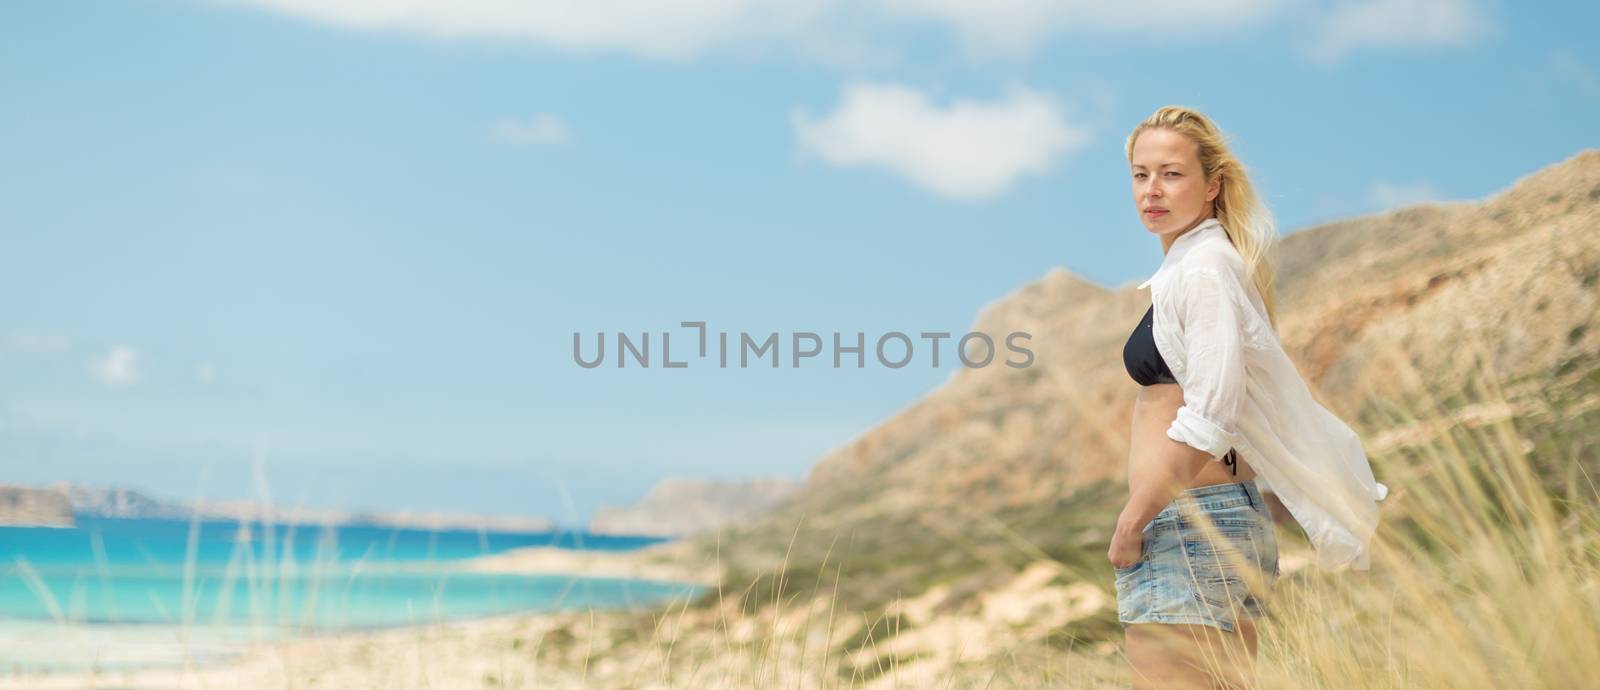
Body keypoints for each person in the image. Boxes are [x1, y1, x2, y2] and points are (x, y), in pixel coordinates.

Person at [1108, 106, 1389, 690]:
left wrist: (1134, 518)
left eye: (1171, 174)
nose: (1152, 190)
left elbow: (1211, 411)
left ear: (1212, 185)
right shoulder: (1196, 266)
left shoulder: (1207, 269)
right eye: (1140, 174)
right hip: (1209, 519)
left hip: (1190, 522)